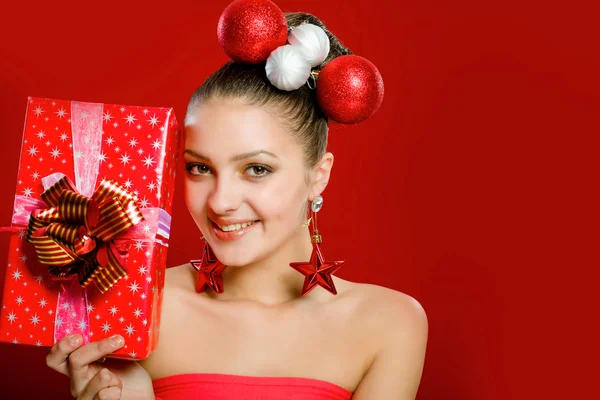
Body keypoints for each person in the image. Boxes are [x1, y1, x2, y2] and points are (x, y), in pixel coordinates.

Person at [45, 10, 428, 400]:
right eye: (199, 167)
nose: (220, 201)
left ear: (319, 175)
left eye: (257, 168)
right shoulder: (132, 307)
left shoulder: (388, 324)